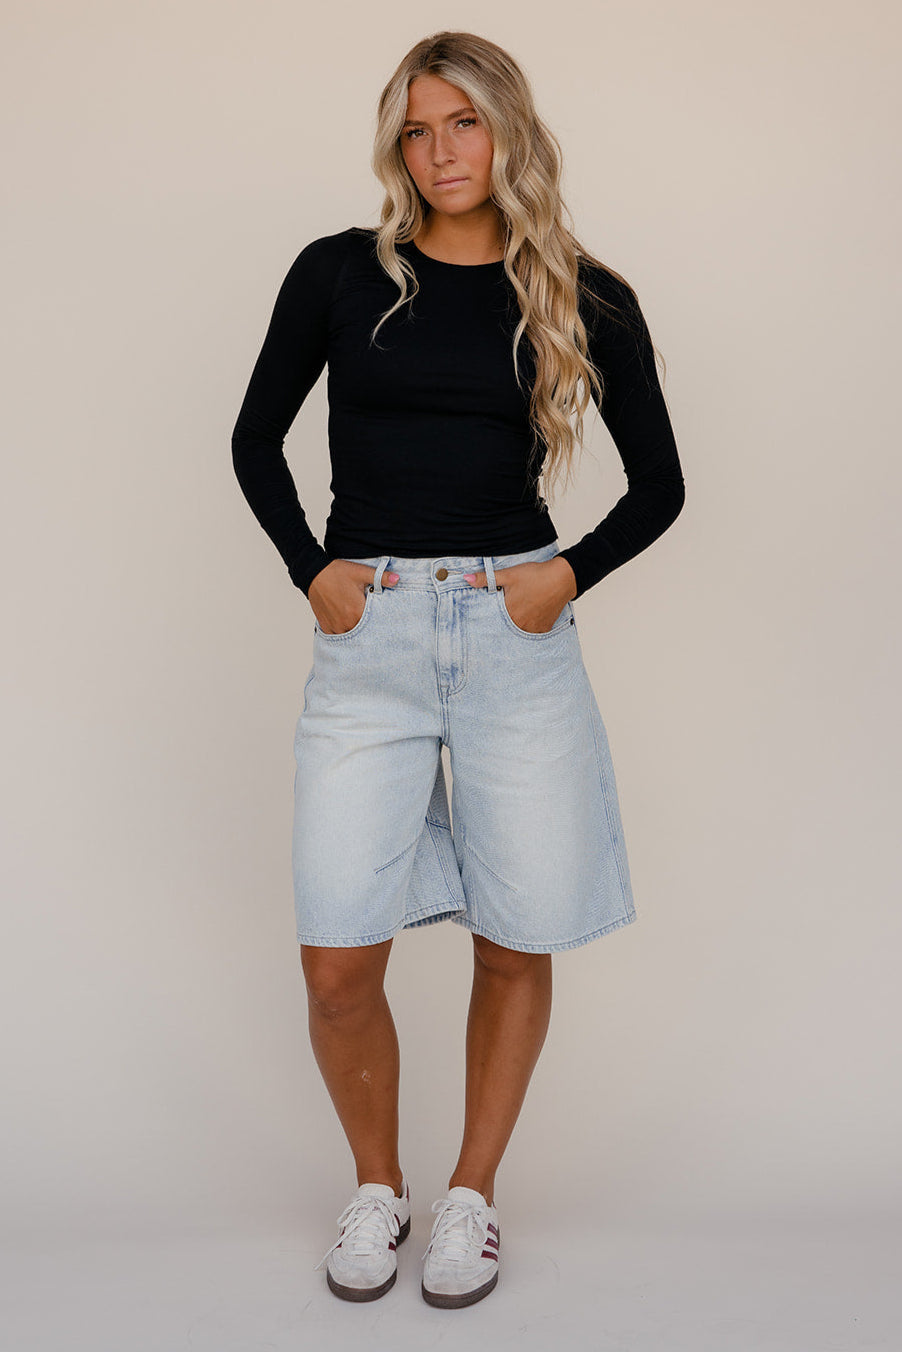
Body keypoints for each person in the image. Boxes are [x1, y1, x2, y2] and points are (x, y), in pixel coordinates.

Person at [231, 30, 685, 1310]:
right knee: (336, 954)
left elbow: (661, 484)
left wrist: (564, 575)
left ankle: (471, 1195)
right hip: (367, 636)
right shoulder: (338, 274)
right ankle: (377, 1185)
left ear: (508, 132)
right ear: (397, 144)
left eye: (464, 123)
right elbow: (254, 438)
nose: (439, 151)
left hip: (509, 634)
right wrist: (312, 570)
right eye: (418, 129)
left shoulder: (581, 292)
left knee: (513, 930)